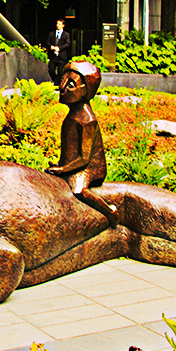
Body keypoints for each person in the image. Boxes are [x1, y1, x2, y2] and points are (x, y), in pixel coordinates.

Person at [46, 61, 120, 227]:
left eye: (71, 85)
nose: (62, 88)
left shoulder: (87, 120)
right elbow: (69, 146)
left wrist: (63, 169)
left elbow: (84, 158)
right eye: (63, 81)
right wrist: (61, 164)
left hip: (89, 169)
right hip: (74, 164)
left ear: (86, 91)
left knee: (78, 190)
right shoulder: (73, 114)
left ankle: (110, 212)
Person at [45, 18, 70, 84]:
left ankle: (57, 83)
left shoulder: (66, 34)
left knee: (60, 71)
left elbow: (68, 44)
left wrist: (59, 48)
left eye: (59, 24)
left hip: (61, 56)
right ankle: (56, 81)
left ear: (63, 25)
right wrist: (51, 46)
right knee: (51, 70)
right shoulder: (51, 34)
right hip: (53, 56)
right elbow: (47, 42)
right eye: (57, 24)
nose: (57, 25)